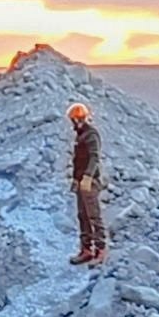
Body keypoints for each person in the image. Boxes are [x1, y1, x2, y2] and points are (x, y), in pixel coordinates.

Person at [67, 101, 107, 265]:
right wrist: (76, 180)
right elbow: (79, 160)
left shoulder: (91, 134)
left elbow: (94, 157)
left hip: (89, 183)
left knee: (93, 216)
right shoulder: (81, 135)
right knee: (82, 216)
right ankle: (86, 249)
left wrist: (88, 177)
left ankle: (100, 249)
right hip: (81, 181)